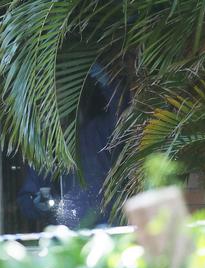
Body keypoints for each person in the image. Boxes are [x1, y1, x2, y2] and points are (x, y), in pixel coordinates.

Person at [17, 65, 127, 228]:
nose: (55, 106)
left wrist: (105, 82)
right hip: (69, 236)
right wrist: (36, 203)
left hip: (109, 229)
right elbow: (26, 198)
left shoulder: (97, 131)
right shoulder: (48, 148)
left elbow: (124, 113)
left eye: (61, 96)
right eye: (49, 101)